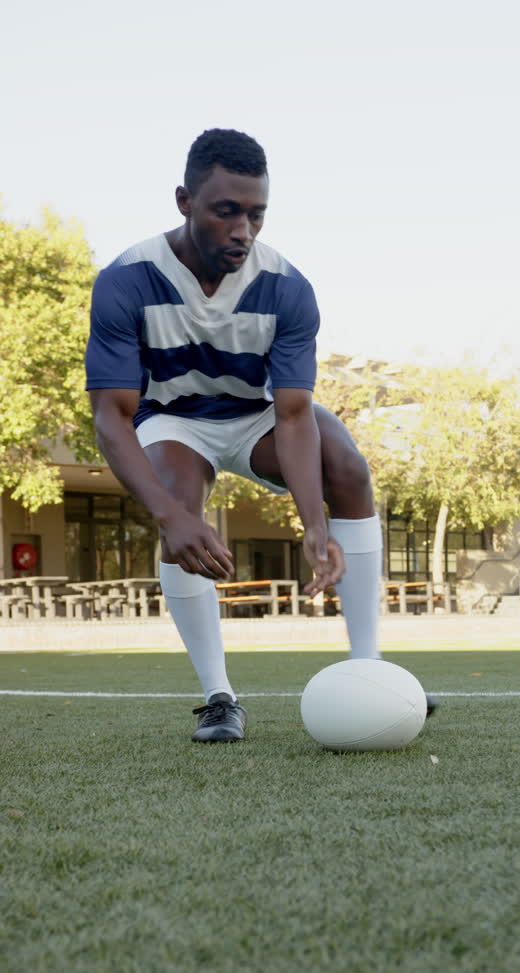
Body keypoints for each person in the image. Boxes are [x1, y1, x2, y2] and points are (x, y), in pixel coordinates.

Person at [86, 128, 434, 742]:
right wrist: (170, 515)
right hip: (174, 418)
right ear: (184, 201)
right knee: (179, 512)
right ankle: (219, 698)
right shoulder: (126, 280)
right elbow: (111, 414)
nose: (243, 230)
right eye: (227, 211)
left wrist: (314, 526)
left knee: (348, 467)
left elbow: (296, 413)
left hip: (256, 414)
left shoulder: (288, 289)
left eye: (256, 214)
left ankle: (368, 668)